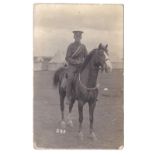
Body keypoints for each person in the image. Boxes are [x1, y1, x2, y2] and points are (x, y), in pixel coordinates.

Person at [65, 31, 88, 105]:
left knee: (89, 76)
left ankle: (90, 94)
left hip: (81, 66)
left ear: (81, 37)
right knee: (70, 78)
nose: (78, 38)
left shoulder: (83, 47)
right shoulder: (70, 46)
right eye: (76, 36)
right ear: (74, 37)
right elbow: (67, 58)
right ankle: (68, 97)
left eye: (79, 37)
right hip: (72, 66)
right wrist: (75, 62)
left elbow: (86, 57)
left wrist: (84, 62)